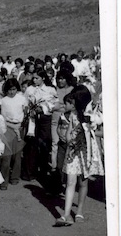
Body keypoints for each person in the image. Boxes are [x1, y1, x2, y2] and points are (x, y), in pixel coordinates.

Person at [55, 85, 104, 226]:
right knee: (70, 182)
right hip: (73, 152)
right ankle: (65, 215)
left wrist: (90, 132)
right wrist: (72, 138)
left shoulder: (92, 116)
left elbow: (102, 132)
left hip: (86, 153)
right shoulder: (73, 115)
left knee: (83, 182)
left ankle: (80, 211)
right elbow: (69, 135)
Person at [25, 71, 59, 178]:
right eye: (33, 78)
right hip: (32, 119)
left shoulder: (50, 89)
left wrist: (43, 108)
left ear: (43, 78)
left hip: (45, 119)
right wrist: (29, 110)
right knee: (31, 144)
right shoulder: (30, 89)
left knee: (44, 144)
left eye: (37, 78)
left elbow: (54, 104)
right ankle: (31, 171)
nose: (34, 80)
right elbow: (25, 102)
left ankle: (43, 171)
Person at [0, 78, 27, 189]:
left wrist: (21, 126)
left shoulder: (21, 99)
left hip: (19, 127)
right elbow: (2, 117)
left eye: (14, 89)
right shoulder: (3, 100)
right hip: (7, 127)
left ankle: (15, 177)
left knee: (17, 155)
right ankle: (3, 180)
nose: (12, 92)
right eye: (9, 89)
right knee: (6, 155)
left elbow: (25, 113)